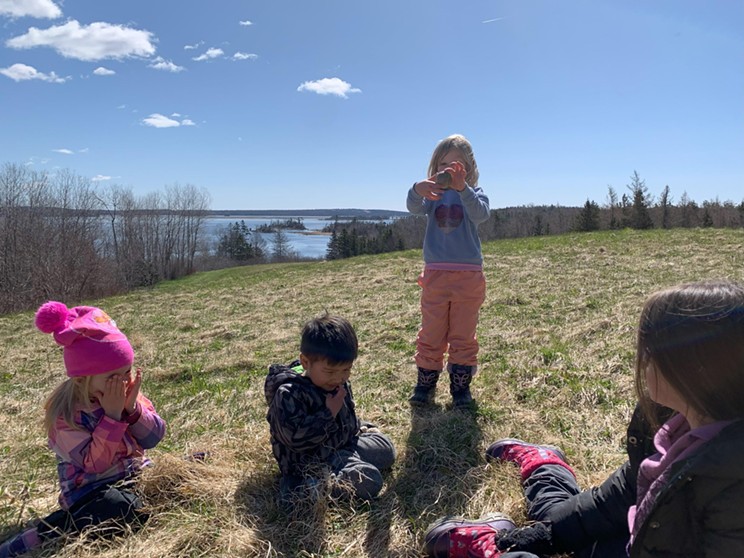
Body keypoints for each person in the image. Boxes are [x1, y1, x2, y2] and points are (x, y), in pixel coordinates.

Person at [423, 279, 744, 557]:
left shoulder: (733, 491)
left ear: (698, 369)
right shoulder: (670, 422)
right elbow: (620, 497)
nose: (642, 363)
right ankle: (543, 465)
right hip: (641, 538)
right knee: (556, 519)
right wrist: (546, 536)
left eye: (653, 353)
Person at [0, 301, 166, 558]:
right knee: (119, 508)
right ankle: (47, 532)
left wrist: (133, 411)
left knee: (169, 483)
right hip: (91, 493)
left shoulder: (128, 395)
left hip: (135, 476)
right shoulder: (66, 417)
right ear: (82, 379)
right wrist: (112, 417)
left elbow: (154, 438)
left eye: (126, 372)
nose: (122, 382)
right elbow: (95, 465)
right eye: (113, 377)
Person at [264, 314, 396, 506]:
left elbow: (346, 415)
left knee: (387, 450)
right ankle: (312, 486)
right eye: (331, 371)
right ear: (305, 362)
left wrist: (356, 426)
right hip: (310, 461)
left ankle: (346, 464)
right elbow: (296, 441)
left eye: (346, 370)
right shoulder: (289, 393)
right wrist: (328, 414)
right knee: (369, 482)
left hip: (344, 445)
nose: (339, 378)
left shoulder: (335, 382)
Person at [406, 133, 491, 407]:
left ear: (468, 168)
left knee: (463, 334)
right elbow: (414, 207)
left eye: (457, 165)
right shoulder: (434, 195)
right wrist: (416, 190)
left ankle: (460, 388)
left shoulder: (474, 194)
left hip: (468, 276)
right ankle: (425, 383)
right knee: (431, 332)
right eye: (444, 164)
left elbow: (481, 214)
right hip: (436, 274)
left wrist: (463, 188)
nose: (449, 170)